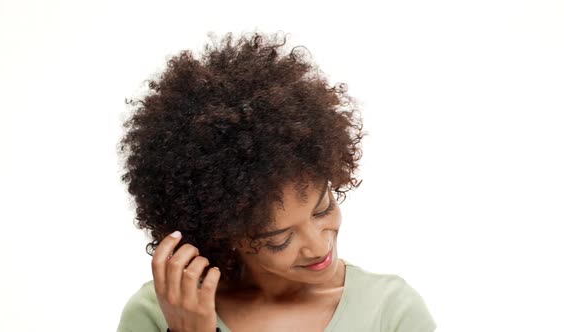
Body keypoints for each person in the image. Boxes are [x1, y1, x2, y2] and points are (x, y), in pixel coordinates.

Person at [116, 31, 436, 332]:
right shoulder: (159, 312)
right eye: (279, 240)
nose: (318, 245)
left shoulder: (391, 311)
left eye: (322, 209)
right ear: (222, 236)